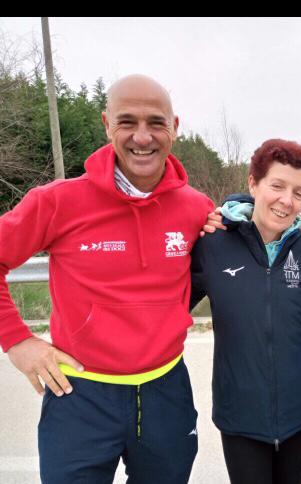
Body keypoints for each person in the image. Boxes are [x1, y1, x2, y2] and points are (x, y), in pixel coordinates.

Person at [0, 74, 214, 483]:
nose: (142, 137)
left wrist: (296, 227)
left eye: (156, 123)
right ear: (106, 124)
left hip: (166, 393)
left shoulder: (196, 208)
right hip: (79, 395)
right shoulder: (57, 201)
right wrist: (17, 340)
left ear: (174, 127)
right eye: (127, 122)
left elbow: (245, 246)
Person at [189, 139, 301, 484]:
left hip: (300, 412)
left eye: (298, 192)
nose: (286, 200)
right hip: (239, 413)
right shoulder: (212, 243)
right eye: (277, 186)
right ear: (253, 183)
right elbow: (166, 306)